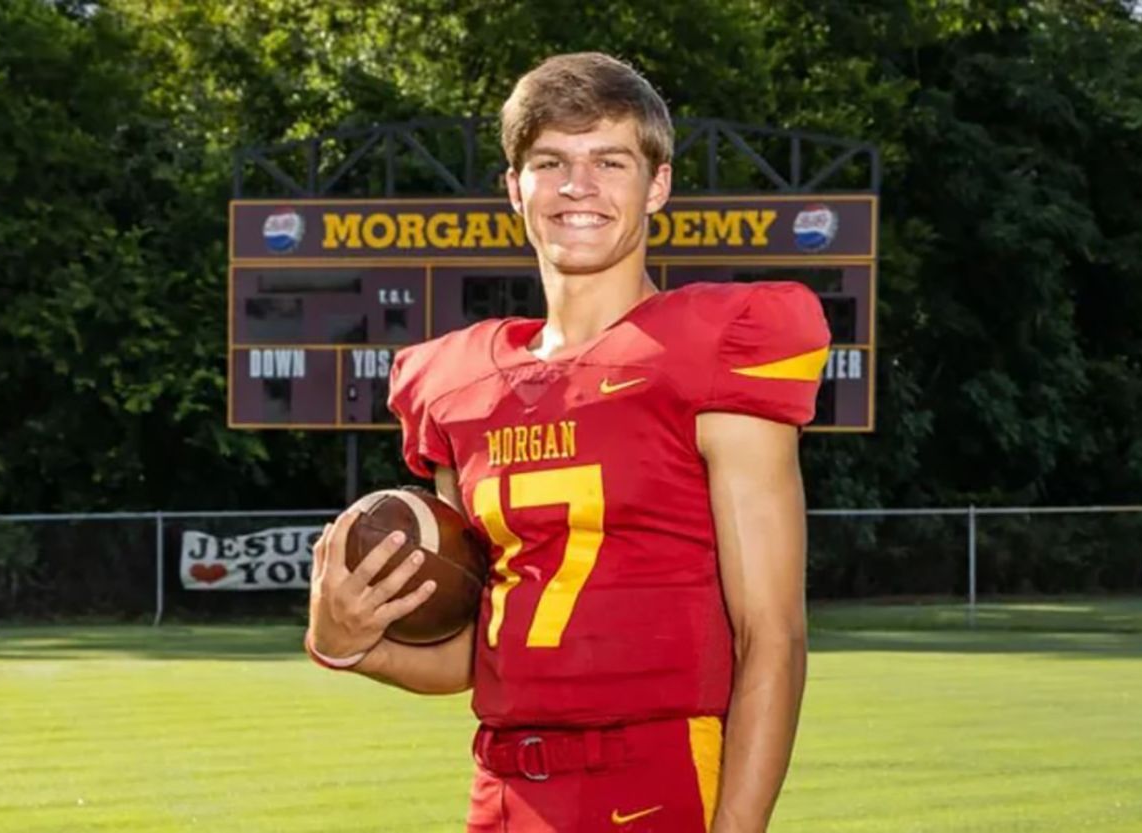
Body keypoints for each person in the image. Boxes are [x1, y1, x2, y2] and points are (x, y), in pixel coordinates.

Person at [306, 52, 829, 833]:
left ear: (657, 185)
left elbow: (773, 637)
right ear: (515, 187)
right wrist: (346, 642)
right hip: (505, 791)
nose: (578, 186)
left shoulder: (714, 347)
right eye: (550, 161)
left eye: (609, 160)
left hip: (664, 775)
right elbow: (475, 653)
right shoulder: (456, 386)